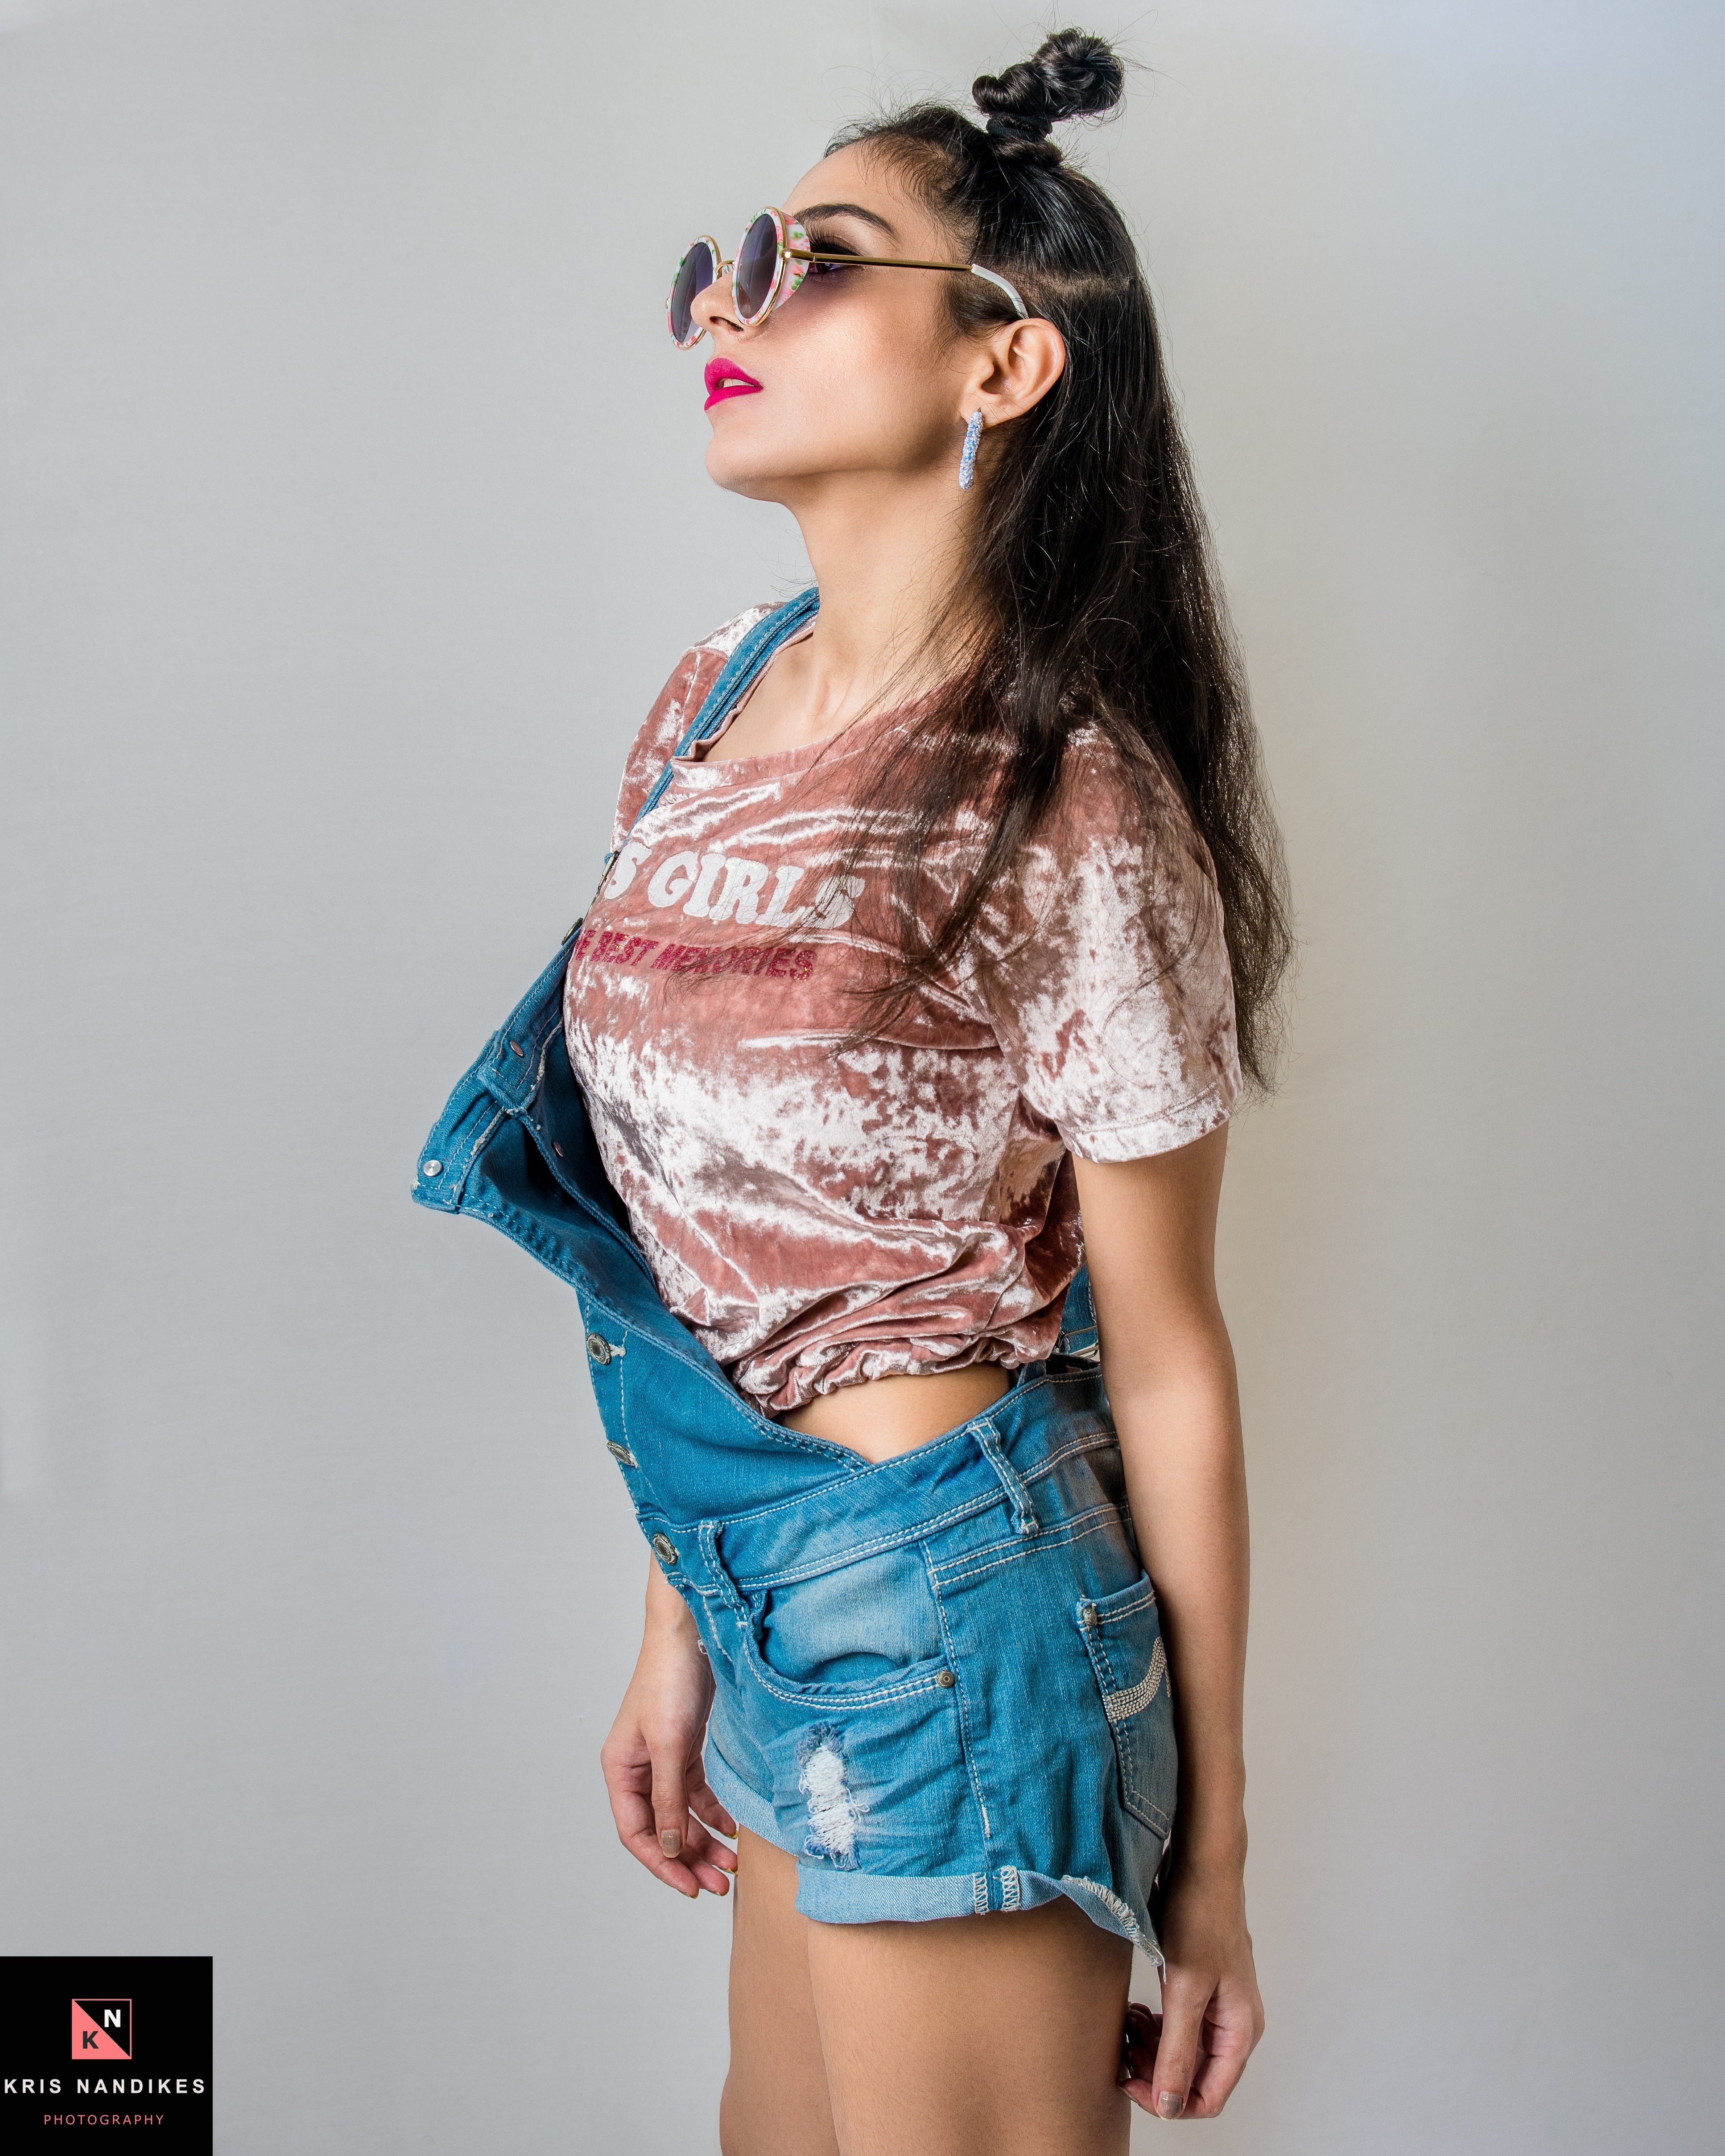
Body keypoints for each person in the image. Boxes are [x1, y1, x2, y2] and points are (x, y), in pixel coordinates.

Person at [417, 27, 1292, 2153]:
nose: (729, 308)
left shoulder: (1069, 796)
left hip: (944, 1602)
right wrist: (676, 1624)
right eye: (733, 258)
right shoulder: (708, 701)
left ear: (1004, 362)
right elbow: (708, 1237)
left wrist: (1213, 1859)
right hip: (752, 1568)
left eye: (815, 260)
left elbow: (1167, 1353)